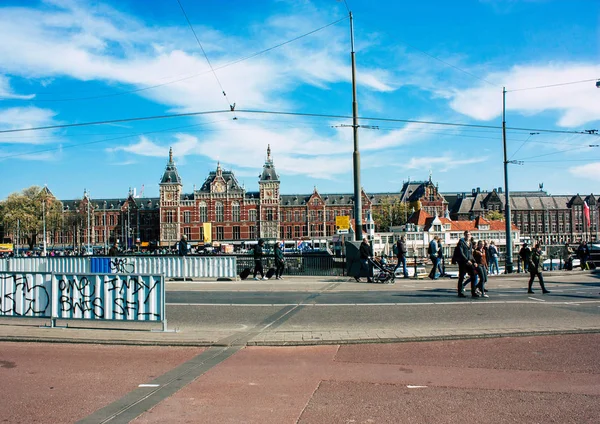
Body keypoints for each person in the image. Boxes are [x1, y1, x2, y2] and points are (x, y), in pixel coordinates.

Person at [456, 231, 478, 298]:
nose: (468, 236)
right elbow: (461, 252)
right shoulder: (461, 243)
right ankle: (460, 292)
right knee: (462, 277)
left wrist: (474, 261)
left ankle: (473, 292)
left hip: (470, 262)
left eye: (469, 234)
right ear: (464, 235)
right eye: (466, 234)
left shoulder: (470, 243)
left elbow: (470, 253)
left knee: (473, 276)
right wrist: (466, 260)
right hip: (463, 262)